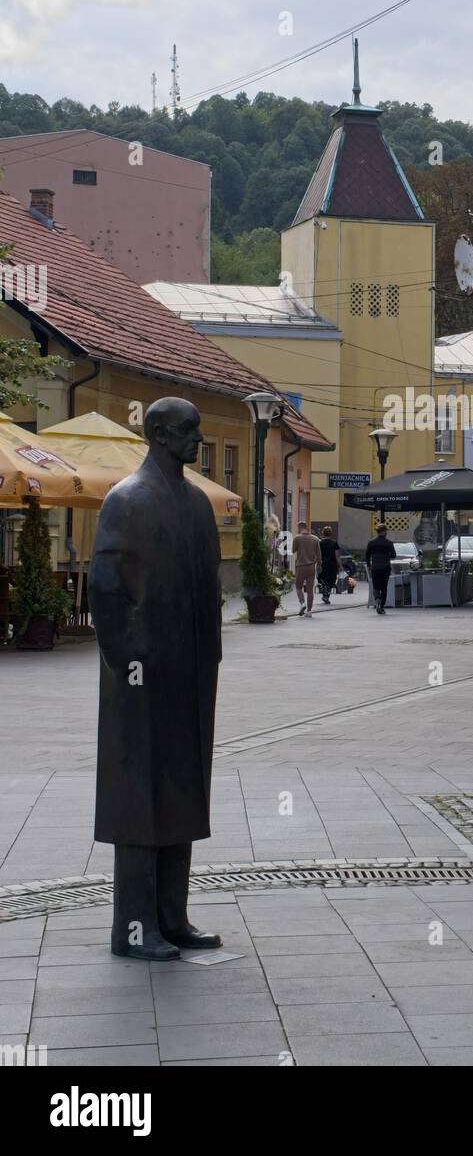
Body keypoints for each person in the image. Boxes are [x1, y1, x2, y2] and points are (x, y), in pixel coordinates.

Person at [89, 397, 223, 961]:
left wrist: (209, 652)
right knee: (140, 796)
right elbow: (105, 587)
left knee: (183, 788)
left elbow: (211, 584)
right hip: (141, 678)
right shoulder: (126, 500)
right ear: (161, 434)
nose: (198, 439)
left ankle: (172, 915)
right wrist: (129, 658)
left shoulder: (197, 503)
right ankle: (134, 927)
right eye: (189, 431)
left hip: (189, 671)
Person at [365, 522, 396, 614]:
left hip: (375, 567)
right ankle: (381, 606)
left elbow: (367, 555)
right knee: (384, 587)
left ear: (377, 532)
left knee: (376, 585)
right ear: (384, 531)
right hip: (385, 567)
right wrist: (387, 556)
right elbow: (394, 555)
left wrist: (369, 565)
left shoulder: (371, 543)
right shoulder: (389, 543)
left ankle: (377, 598)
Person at [292, 522, 321, 617]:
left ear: (299, 527)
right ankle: (309, 611)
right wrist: (319, 565)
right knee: (310, 590)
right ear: (307, 527)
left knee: (298, 587)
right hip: (311, 567)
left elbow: (293, 550)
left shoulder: (297, 538)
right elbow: (319, 555)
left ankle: (302, 603)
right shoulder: (315, 539)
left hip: (300, 566)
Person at [318, 525, 342, 604]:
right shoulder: (334, 543)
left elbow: (318, 554)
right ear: (331, 533)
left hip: (323, 564)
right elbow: (337, 556)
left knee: (323, 579)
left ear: (323, 533)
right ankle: (326, 595)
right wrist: (340, 566)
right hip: (332, 565)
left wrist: (318, 563)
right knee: (331, 581)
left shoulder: (320, 543)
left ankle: (324, 592)